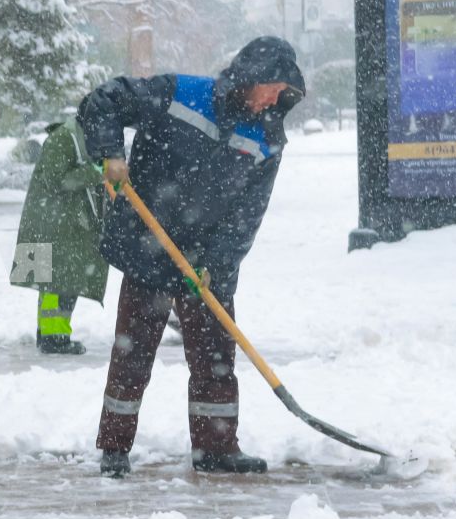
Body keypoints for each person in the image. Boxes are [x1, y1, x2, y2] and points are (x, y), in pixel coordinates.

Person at [78, 36, 305, 479]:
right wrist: (110, 154)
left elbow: (247, 215)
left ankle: (216, 448)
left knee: (216, 357)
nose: (274, 99)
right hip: (151, 243)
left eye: (283, 93)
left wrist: (217, 265)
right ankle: (114, 448)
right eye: (271, 88)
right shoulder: (181, 94)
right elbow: (102, 102)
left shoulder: (268, 138)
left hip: (206, 259)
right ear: (248, 78)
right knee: (133, 353)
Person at [10, 116, 108, 354]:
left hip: (63, 224)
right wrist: (97, 171)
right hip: (52, 223)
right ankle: (53, 337)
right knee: (55, 281)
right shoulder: (64, 138)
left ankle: (52, 334)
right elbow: (56, 180)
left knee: (61, 280)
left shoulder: (80, 137)